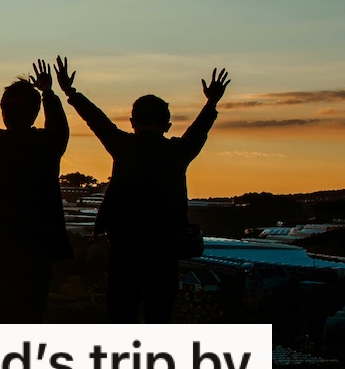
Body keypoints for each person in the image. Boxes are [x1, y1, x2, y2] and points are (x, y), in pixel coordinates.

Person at [58, 58, 230, 323]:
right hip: (165, 248)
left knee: (120, 315)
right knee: (158, 317)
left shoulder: (124, 146)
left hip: (124, 246)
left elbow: (97, 120)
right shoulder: (177, 152)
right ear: (167, 126)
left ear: (132, 122)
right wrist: (211, 103)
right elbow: (199, 130)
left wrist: (71, 93)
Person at [0, 58, 71, 323]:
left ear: (3, 113)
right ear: (35, 113)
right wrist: (49, 94)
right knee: (34, 313)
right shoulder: (48, 145)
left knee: (5, 314)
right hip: (40, 247)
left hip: (1, 248)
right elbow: (59, 126)